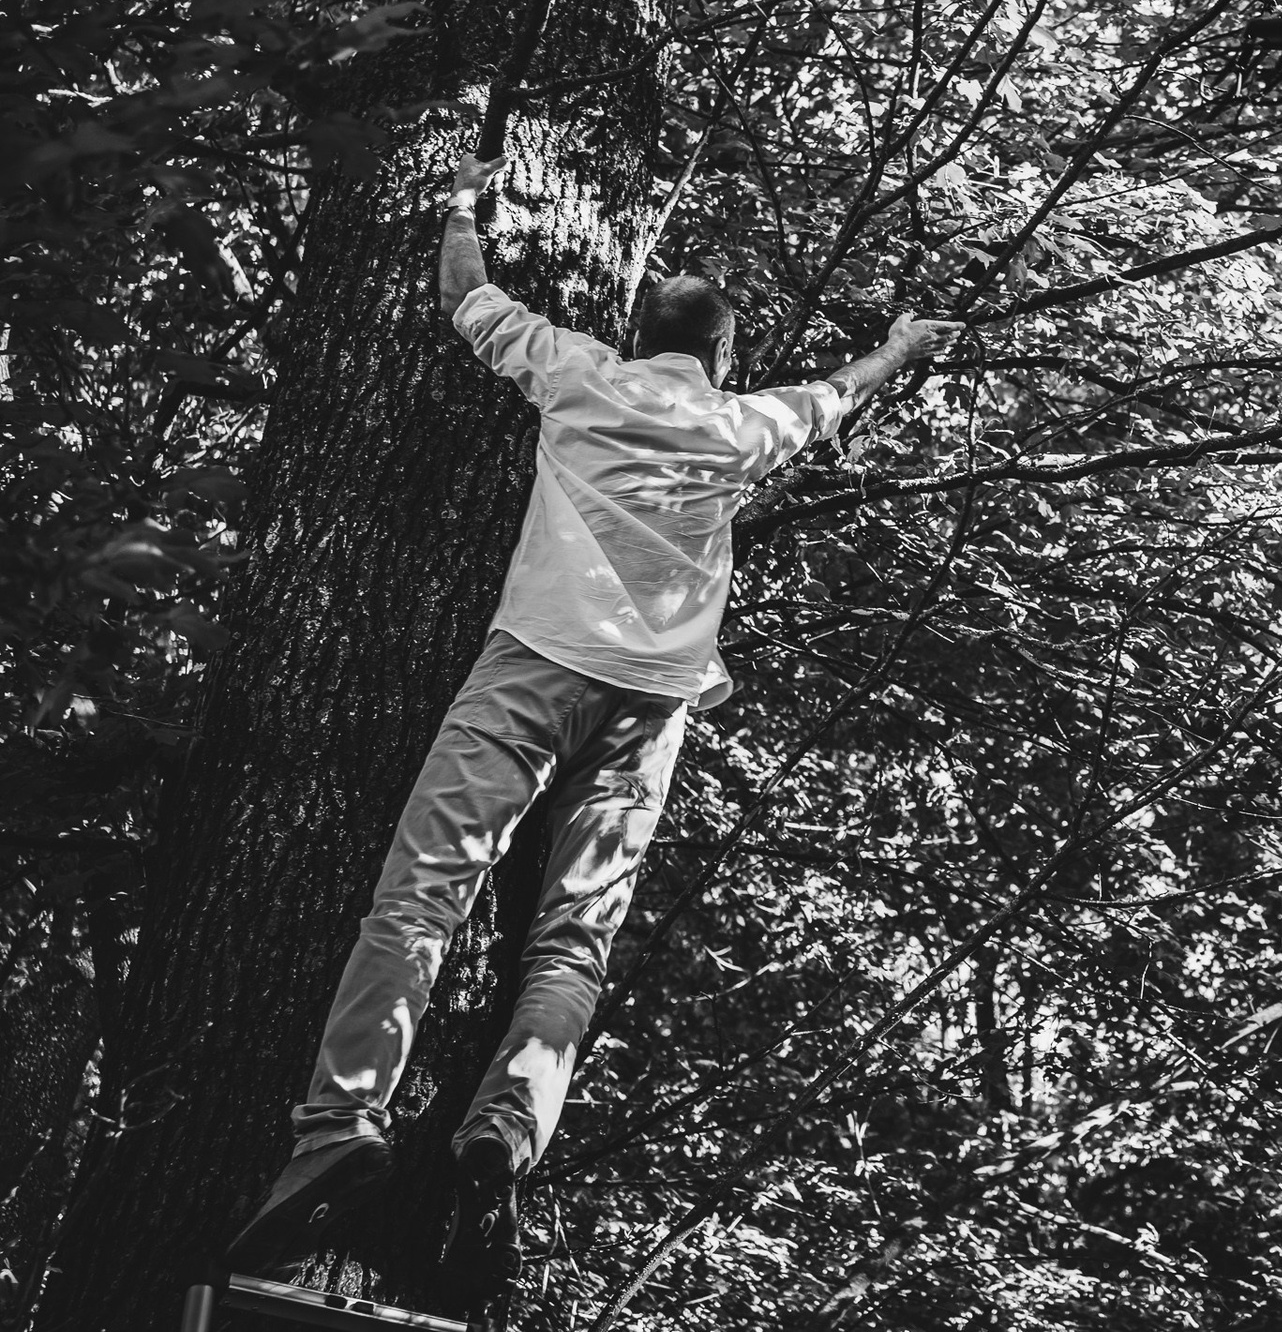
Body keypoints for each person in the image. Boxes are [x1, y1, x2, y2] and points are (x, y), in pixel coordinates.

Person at [227, 152, 962, 1311]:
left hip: (533, 667)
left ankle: (336, 1127)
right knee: (573, 941)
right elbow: (839, 391)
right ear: (723, 354)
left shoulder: (578, 373)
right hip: (651, 703)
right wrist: (902, 346)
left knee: (420, 902)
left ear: (637, 334)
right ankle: (504, 1133)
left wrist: (460, 204)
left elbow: (466, 296)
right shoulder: (743, 424)